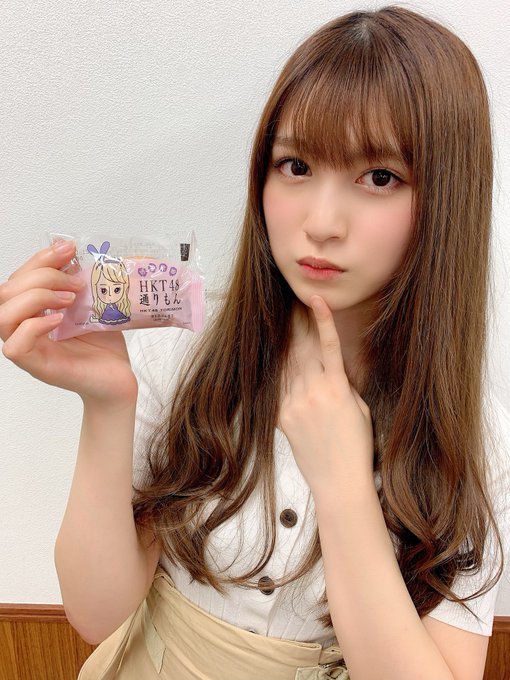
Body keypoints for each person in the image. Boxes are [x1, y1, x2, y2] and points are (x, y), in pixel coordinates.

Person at [1, 5, 509, 679]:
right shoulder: (183, 355)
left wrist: (345, 489)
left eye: (380, 177)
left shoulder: (474, 440)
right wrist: (108, 403)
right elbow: (96, 615)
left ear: (448, 197)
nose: (321, 223)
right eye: (295, 165)